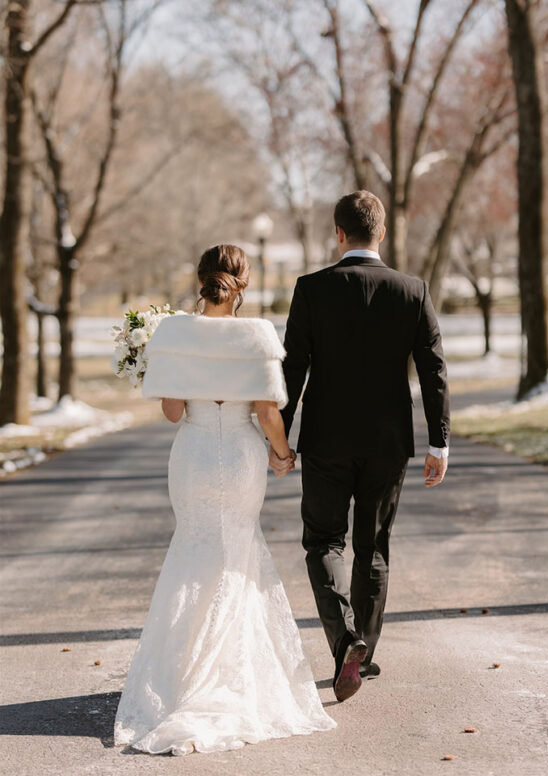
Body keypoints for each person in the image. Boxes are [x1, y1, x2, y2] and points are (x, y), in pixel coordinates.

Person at [113, 244, 336, 756]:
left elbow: (172, 411)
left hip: (191, 455)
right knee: (235, 554)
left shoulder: (172, 332)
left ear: (201, 279)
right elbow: (266, 413)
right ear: (244, 282)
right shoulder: (256, 334)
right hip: (239, 456)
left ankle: (181, 682)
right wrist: (283, 455)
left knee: (192, 552)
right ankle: (228, 675)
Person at [269, 190, 450, 703]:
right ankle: (362, 653)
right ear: (382, 233)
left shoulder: (311, 289)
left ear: (338, 233)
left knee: (323, 542)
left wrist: (279, 439)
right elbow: (434, 371)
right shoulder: (411, 290)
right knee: (373, 548)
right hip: (388, 443)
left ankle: (345, 639)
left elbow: (292, 369)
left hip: (326, 440)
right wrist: (439, 441)